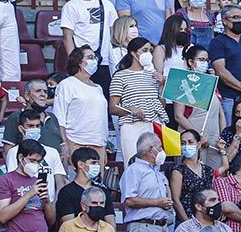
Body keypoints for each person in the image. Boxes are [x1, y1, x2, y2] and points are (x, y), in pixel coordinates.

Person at [109, 37, 168, 166]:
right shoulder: (120, 75)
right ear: (134, 53)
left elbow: (161, 105)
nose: (149, 54)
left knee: (156, 162)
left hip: (153, 124)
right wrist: (130, 110)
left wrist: (162, 86)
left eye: (150, 50)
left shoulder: (153, 75)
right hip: (132, 126)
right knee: (132, 163)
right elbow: (112, 108)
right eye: (145, 50)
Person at [60, 0, 118, 93]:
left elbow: (114, 33)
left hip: (104, 62)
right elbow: (67, 37)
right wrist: (74, 63)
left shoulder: (107, 5)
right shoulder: (72, 6)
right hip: (83, 62)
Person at [53, 46, 109, 167]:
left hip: (98, 145)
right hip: (76, 143)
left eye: (95, 58)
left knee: (96, 185)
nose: (94, 61)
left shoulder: (98, 88)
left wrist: (103, 147)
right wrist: (65, 145)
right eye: (90, 57)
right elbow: (59, 118)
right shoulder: (67, 84)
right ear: (78, 61)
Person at [121, 132, 174, 232]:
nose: (162, 150)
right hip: (143, 226)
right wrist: (157, 202)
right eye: (160, 147)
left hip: (163, 226)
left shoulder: (157, 172)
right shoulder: (134, 170)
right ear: (151, 149)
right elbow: (129, 200)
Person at [1, 80, 62, 155]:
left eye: (45, 92)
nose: (43, 94)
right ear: (27, 96)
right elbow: (8, 149)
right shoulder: (16, 117)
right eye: (38, 91)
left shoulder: (52, 117)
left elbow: (62, 145)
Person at [171, 129, 215, 222]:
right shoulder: (178, 170)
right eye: (183, 143)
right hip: (186, 220)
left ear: (198, 144)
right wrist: (188, 224)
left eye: (190, 142)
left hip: (206, 220)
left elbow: (212, 196)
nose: (186, 146)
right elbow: (176, 200)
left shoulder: (208, 170)